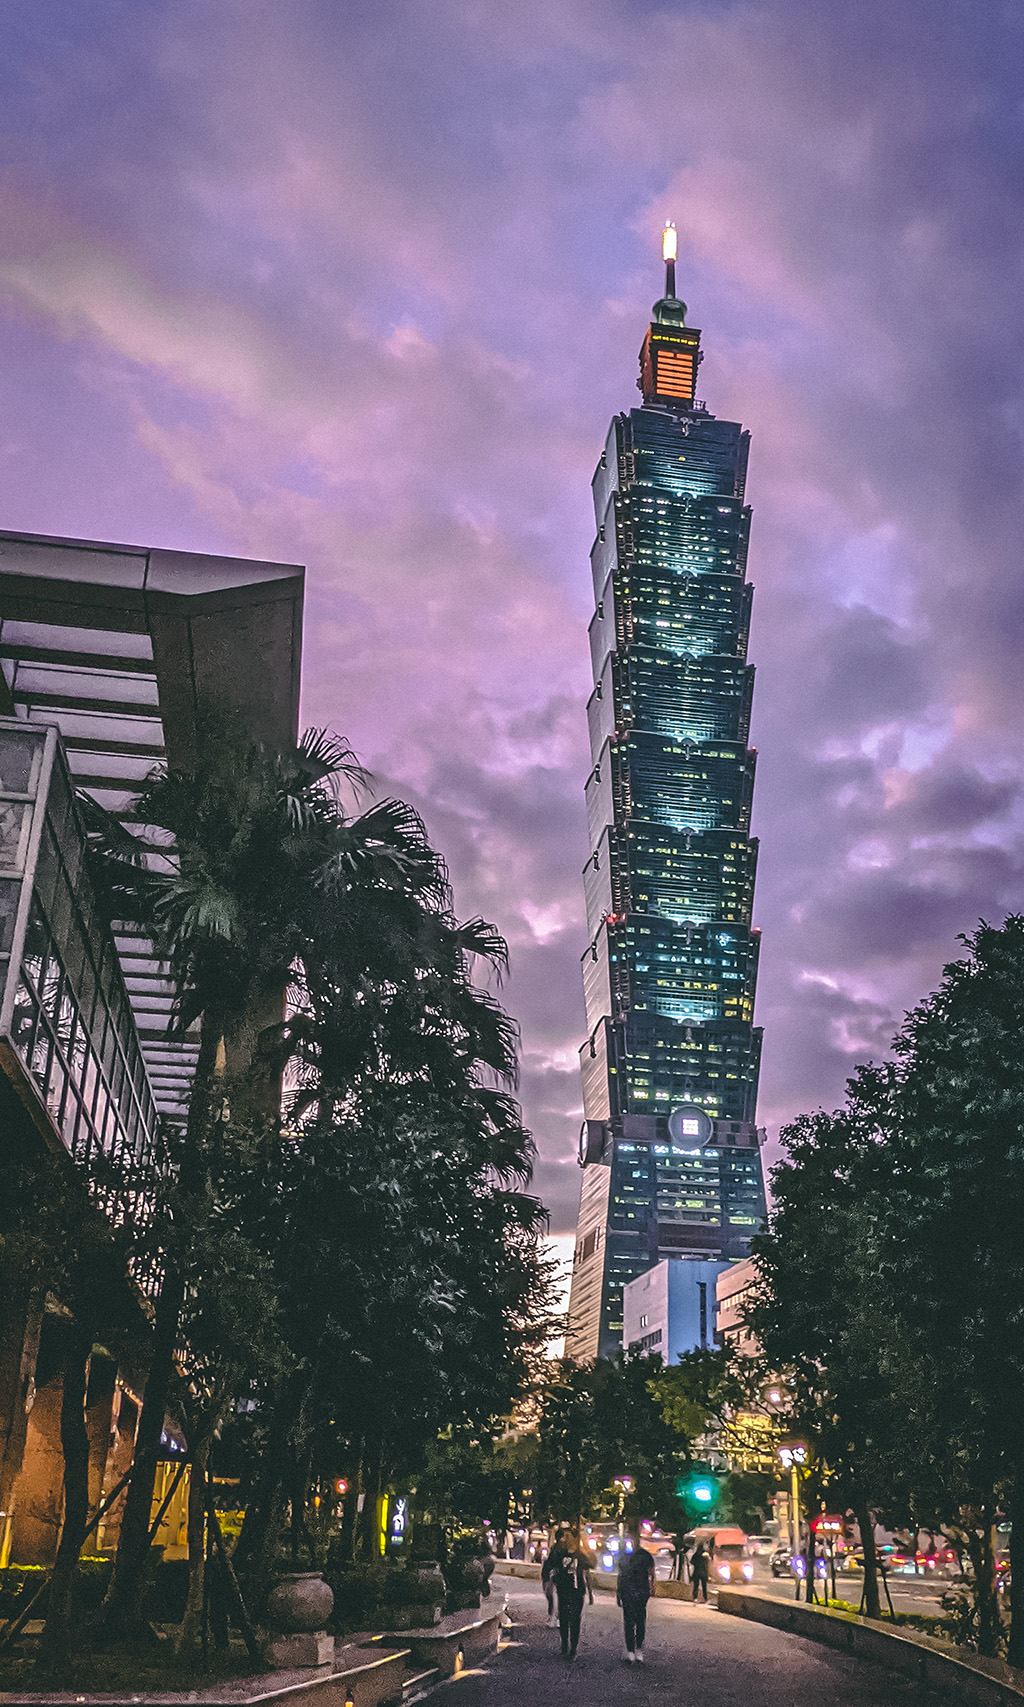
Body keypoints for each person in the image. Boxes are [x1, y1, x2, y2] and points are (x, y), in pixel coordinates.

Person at [554, 1531, 594, 1659]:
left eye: (570, 1537)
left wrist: (586, 1548)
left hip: (577, 1592)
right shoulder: (559, 1553)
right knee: (564, 1619)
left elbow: (591, 1566)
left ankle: (573, 1648)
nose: (567, 1540)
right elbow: (552, 1566)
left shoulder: (581, 1556)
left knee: (575, 1620)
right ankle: (565, 1645)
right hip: (563, 1591)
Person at [617, 1538, 655, 1662]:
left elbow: (621, 1575)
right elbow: (651, 1573)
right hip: (635, 1592)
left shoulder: (631, 1556)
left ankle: (633, 1650)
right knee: (637, 1622)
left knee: (633, 1622)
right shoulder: (644, 1555)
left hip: (634, 1592)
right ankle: (634, 1649)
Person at [542, 1528, 567, 1628]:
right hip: (558, 1575)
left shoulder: (556, 1548)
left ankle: (553, 1618)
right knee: (559, 1599)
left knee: (552, 1598)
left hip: (553, 1575)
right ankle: (557, 1619)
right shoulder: (562, 1548)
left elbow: (551, 1562)